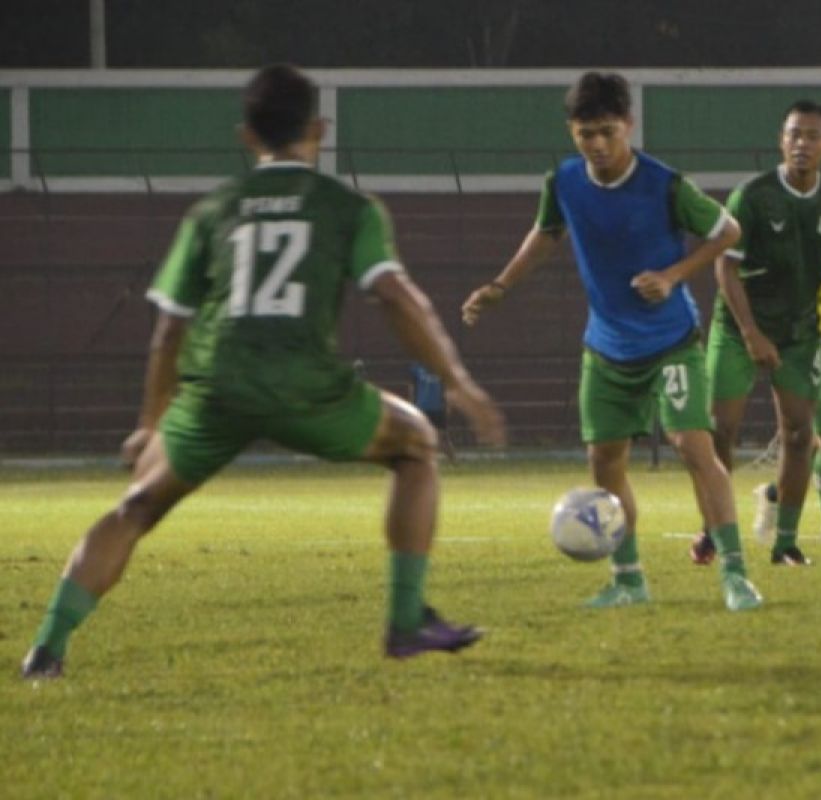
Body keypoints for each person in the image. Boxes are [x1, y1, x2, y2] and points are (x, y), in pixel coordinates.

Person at [20, 64, 505, 679]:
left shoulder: (212, 212)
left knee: (136, 507)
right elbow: (397, 297)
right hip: (307, 386)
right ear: (319, 130)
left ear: (247, 135)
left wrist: (149, 423)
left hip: (215, 387)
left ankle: (46, 649)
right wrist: (457, 381)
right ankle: (406, 623)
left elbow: (170, 328)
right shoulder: (347, 207)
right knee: (416, 445)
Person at [461, 71, 762, 612]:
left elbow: (729, 231)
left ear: (629, 124)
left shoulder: (664, 183)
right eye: (585, 134)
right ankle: (629, 580)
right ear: (571, 133)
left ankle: (736, 576)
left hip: (672, 341)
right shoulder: (565, 182)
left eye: (606, 131)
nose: (597, 145)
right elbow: (547, 232)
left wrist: (672, 275)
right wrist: (501, 285)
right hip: (605, 347)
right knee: (604, 460)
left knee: (694, 447)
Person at [689, 101, 821, 569]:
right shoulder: (753, 196)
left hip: (800, 331)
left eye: (812, 136)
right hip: (737, 328)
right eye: (794, 135)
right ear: (781, 141)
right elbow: (726, 266)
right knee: (721, 432)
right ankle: (713, 530)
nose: (802, 144)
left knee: (800, 434)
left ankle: (786, 544)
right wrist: (750, 332)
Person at [408, 361, 457, 464]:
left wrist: (448, 404)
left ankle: (454, 462)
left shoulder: (440, 365)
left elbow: (447, 387)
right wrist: (412, 404)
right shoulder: (416, 367)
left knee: (443, 437)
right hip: (422, 406)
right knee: (419, 436)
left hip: (437, 407)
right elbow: (412, 387)